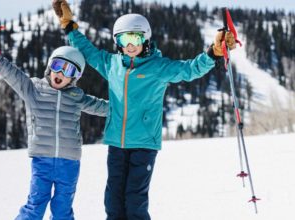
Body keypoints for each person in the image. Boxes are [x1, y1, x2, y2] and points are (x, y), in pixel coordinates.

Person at [52, 1, 236, 219]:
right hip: (117, 143)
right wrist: (68, 26)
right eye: (123, 39)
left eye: (135, 38)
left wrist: (213, 53)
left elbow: (189, 69)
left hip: (144, 143)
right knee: (113, 200)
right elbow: (87, 51)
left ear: (145, 39)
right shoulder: (111, 64)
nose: (130, 45)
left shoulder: (158, 67)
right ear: (117, 42)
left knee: (135, 201)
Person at [0, 38, 108, 220]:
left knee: (63, 208)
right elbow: (11, 73)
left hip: (69, 162)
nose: (60, 72)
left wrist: (129, 107)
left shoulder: (77, 97)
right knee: (36, 204)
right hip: (42, 160)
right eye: (57, 65)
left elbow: (102, 107)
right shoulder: (33, 89)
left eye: (68, 70)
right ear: (49, 67)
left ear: (74, 77)